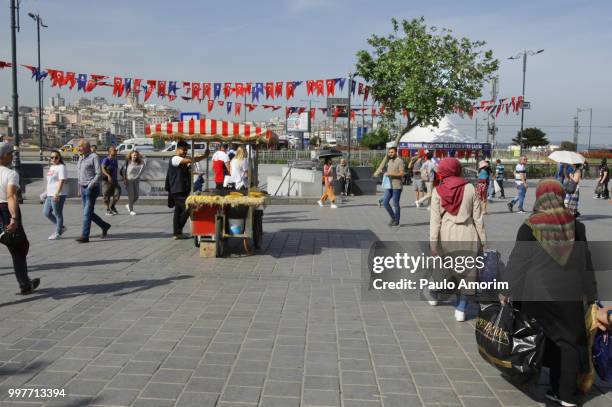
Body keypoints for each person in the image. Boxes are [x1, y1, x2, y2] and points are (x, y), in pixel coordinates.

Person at [504, 180, 597, 407]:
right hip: (570, 293)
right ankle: (565, 394)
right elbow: (586, 263)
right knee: (568, 342)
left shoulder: (530, 225)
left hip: (536, 293)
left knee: (536, 336)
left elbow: (518, 262)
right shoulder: (576, 226)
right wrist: (591, 293)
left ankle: (528, 376)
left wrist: (507, 289)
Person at [429, 157, 486, 322]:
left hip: (446, 233)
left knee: (445, 270)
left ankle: (435, 294)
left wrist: (433, 244)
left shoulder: (437, 191)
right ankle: (461, 309)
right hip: (468, 232)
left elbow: (434, 221)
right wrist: (483, 240)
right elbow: (478, 218)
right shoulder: (470, 188)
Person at [0, 142, 40, 295]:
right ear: (4, 156)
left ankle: (26, 283)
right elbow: (10, 196)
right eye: (10, 153)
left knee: (17, 247)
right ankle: (25, 284)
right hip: (5, 211)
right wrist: (14, 218)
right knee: (19, 248)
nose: (12, 156)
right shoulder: (10, 174)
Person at [165, 140, 209, 239]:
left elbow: (189, 162)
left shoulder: (181, 159)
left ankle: (177, 233)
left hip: (181, 189)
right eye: (183, 150)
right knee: (190, 207)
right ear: (178, 149)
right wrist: (204, 156)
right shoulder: (175, 158)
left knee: (178, 211)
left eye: (186, 150)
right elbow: (190, 160)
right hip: (177, 190)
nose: (185, 152)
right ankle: (178, 229)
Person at [76, 139, 110, 243]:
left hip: (91, 189)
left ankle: (85, 236)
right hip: (83, 188)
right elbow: (79, 174)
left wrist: (90, 186)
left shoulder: (94, 157)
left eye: (80, 146)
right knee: (88, 213)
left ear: (86, 147)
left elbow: (99, 173)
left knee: (87, 213)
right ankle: (104, 225)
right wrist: (79, 188)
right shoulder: (80, 157)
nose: (78, 148)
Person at [43, 150, 67, 239]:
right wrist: (46, 192)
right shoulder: (52, 167)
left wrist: (57, 193)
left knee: (58, 213)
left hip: (58, 194)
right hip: (50, 194)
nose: (54, 159)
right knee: (46, 213)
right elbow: (49, 182)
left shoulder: (61, 167)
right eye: (52, 157)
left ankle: (58, 233)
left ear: (59, 158)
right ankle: (61, 227)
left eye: (56, 157)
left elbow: (62, 180)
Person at [380, 147, 405, 226]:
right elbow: (389, 172)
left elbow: (401, 174)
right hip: (389, 186)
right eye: (389, 152)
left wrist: (390, 174)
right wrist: (384, 172)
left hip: (397, 186)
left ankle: (396, 221)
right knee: (385, 202)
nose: (390, 154)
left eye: (392, 152)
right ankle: (393, 217)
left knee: (395, 204)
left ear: (396, 152)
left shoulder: (399, 161)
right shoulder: (390, 161)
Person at [121, 150, 146, 216]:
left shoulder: (140, 162)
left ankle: (128, 205)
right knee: (131, 196)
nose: (135, 156)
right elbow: (124, 171)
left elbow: (144, 166)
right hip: (129, 180)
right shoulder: (127, 162)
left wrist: (142, 157)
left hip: (136, 180)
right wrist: (124, 180)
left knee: (136, 196)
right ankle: (131, 210)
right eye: (133, 154)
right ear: (131, 155)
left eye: (136, 155)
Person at [101, 146, 121, 216]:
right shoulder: (106, 160)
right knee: (106, 195)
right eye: (114, 150)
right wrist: (108, 175)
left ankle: (112, 206)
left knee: (117, 194)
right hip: (106, 181)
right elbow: (103, 169)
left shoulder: (115, 160)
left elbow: (116, 170)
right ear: (109, 152)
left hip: (114, 180)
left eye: (116, 150)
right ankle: (108, 209)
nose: (115, 151)